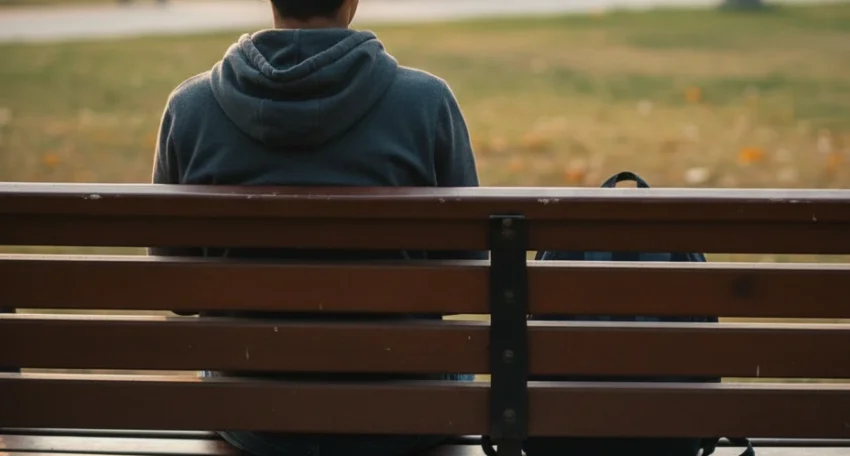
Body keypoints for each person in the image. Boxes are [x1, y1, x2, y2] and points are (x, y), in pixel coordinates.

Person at [150, 0, 480, 455]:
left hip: (252, 416)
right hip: (402, 412)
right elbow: (466, 283)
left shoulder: (190, 109)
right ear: (352, 2)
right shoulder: (426, 103)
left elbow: (176, 295)